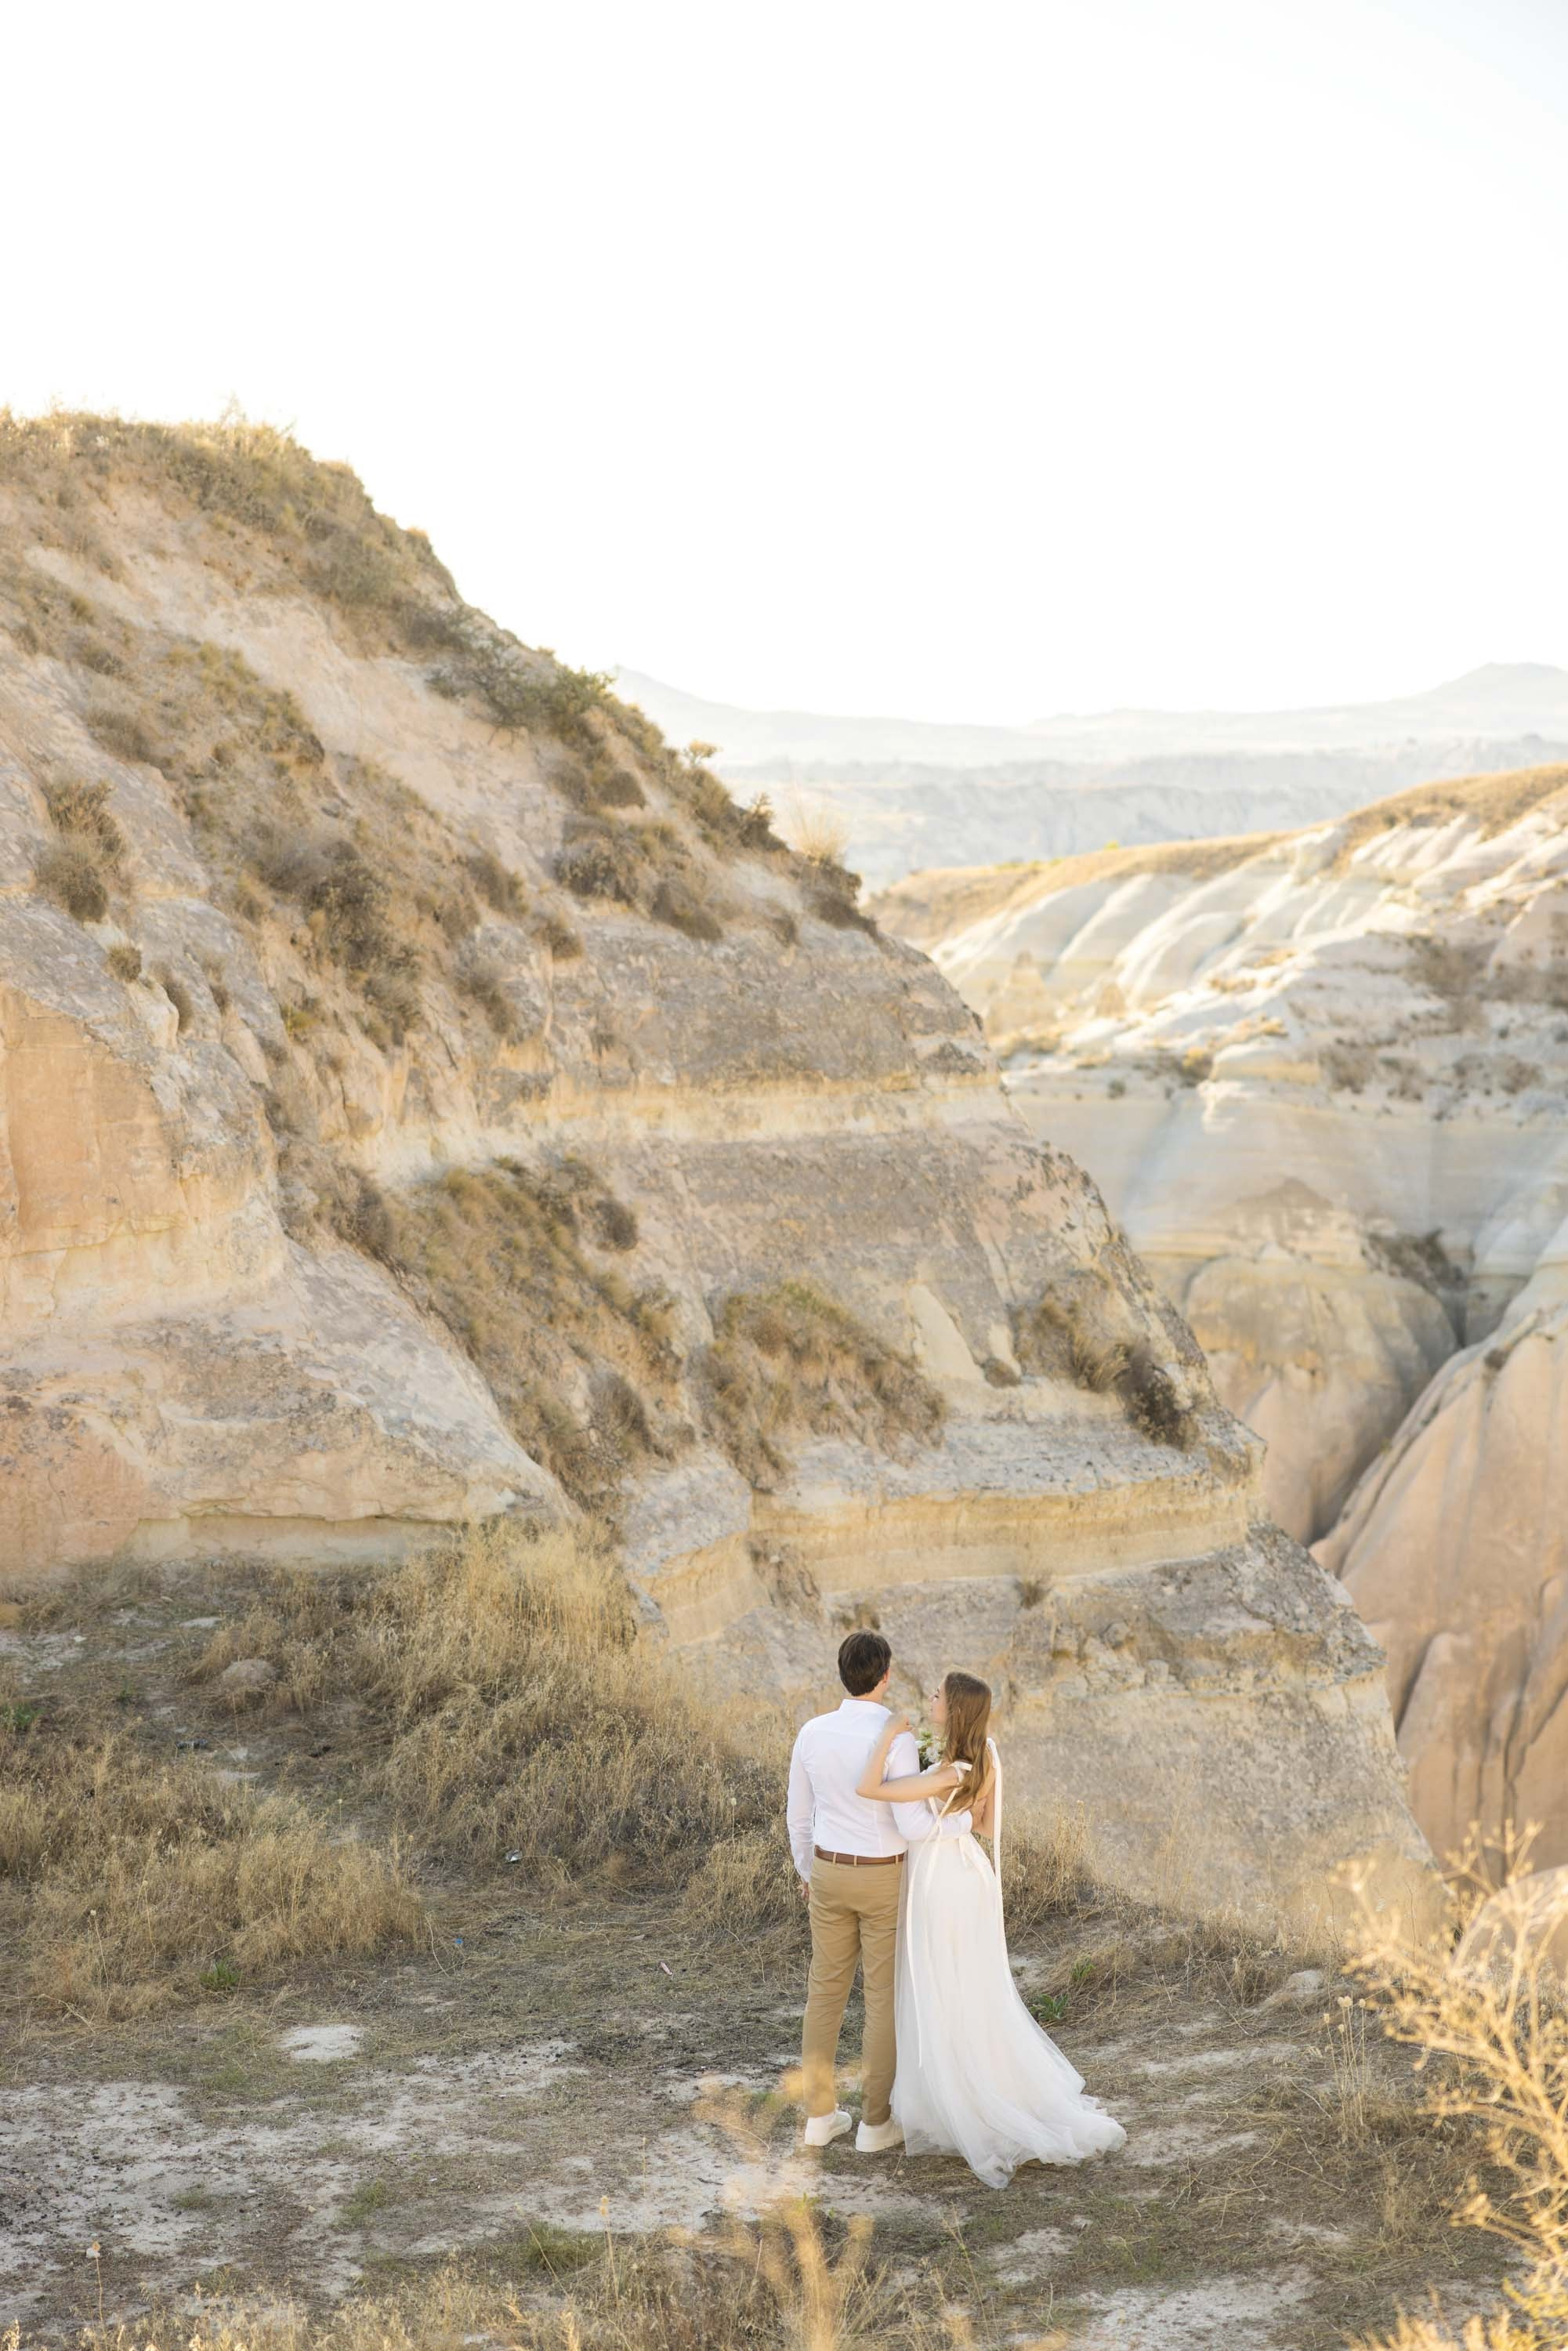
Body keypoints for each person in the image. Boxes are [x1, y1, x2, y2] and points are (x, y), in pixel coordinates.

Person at [855, 1669, 1126, 2186]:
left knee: (943, 1983)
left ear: (954, 1709)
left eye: (938, 1694)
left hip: (940, 1882)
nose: (930, 1697)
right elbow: (984, 1826)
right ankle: (978, 2083)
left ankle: (962, 2097)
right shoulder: (987, 1755)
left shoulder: (948, 1771)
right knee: (971, 1985)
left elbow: (870, 1788)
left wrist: (889, 1735)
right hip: (969, 1874)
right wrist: (957, 1819)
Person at [786, 1630, 973, 2150]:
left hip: (828, 1871)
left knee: (824, 1994)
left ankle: (819, 2118)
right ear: (886, 1675)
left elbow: (798, 1817)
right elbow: (910, 1824)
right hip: (882, 1876)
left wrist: (808, 1872)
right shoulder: (897, 1737)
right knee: (881, 1999)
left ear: (842, 1674)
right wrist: (963, 1824)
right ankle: (874, 2124)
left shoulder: (812, 1732)